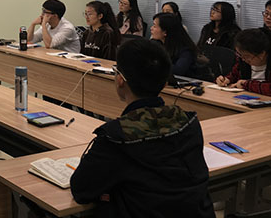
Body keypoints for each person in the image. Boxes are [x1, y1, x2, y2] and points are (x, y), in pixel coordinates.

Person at [70, 39, 215, 218]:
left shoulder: (116, 136)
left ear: (120, 80)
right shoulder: (189, 122)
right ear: (164, 82)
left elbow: (81, 190)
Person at [216, 29, 270, 96]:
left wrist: (247, 84)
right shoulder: (242, 61)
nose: (243, 59)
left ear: (262, 54)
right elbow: (234, 75)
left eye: (247, 56)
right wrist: (226, 79)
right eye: (240, 55)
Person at [150, 13, 199, 77]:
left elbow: (178, 70)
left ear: (165, 32)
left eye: (154, 26)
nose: (151, 28)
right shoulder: (156, 44)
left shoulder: (186, 50)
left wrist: (155, 63)